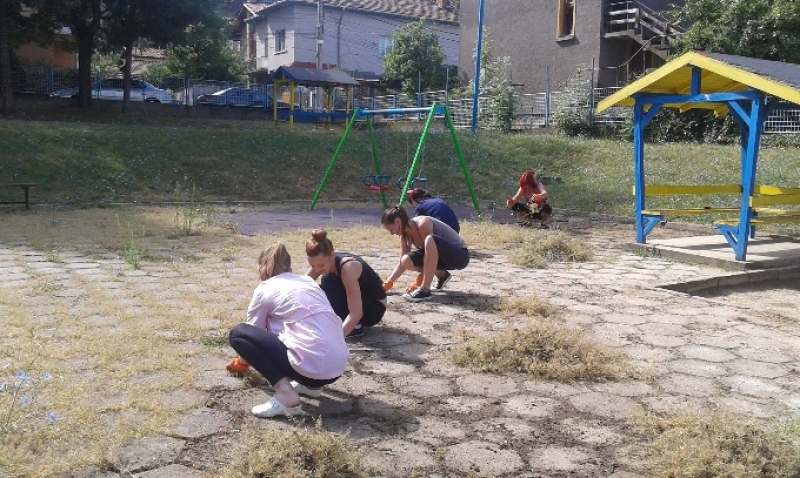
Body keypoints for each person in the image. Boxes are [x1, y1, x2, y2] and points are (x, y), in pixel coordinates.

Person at [227, 242, 349, 418]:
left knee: (238, 333)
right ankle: (312, 387)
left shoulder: (265, 289)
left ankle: (285, 394)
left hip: (308, 368)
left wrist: (242, 363)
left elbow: (251, 335)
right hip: (337, 367)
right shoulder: (308, 281)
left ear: (262, 268)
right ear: (289, 266)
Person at [305, 229, 387, 338]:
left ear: (332, 255)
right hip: (360, 301)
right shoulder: (324, 261)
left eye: (320, 265)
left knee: (328, 281)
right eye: (312, 266)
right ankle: (339, 321)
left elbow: (356, 313)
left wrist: (336, 339)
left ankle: (354, 328)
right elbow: (303, 285)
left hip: (374, 308)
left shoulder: (348, 268)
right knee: (316, 288)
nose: (316, 269)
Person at [381, 206, 469, 302]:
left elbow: (430, 254)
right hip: (440, 260)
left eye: (390, 229)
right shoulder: (404, 235)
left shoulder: (423, 223)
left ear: (397, 222)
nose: (391, 233)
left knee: (430, 239)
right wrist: (388, 282)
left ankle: (425, 290)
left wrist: (419, 281)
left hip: (460, 256)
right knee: (405, 260)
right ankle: (442, 276)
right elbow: (401, 264)